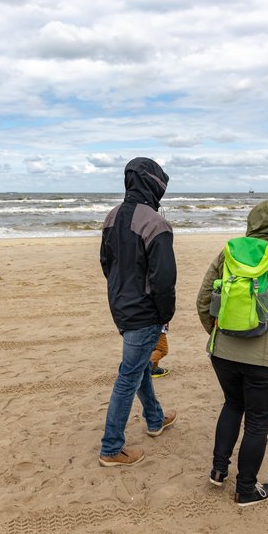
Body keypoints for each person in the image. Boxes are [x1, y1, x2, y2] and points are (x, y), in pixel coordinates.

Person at [196, 199, 268, 506]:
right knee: (258, 421)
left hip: (223, 352)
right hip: (265, 358)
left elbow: (203, 300)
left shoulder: (227, 254)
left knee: (232, 404)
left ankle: (219, 471)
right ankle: (246, 489)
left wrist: (216, 335)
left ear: (252, 221)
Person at [99, 157, 177, 467]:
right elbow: (163, 279)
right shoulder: (155, 223)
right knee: (128, 375)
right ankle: (111, 447)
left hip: (120, 305)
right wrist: (165, 313)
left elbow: (107, 264)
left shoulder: (112, 216)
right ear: (154, 184)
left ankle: (155, 419)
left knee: (140, 364)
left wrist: (120, 294)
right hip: (144, 311)